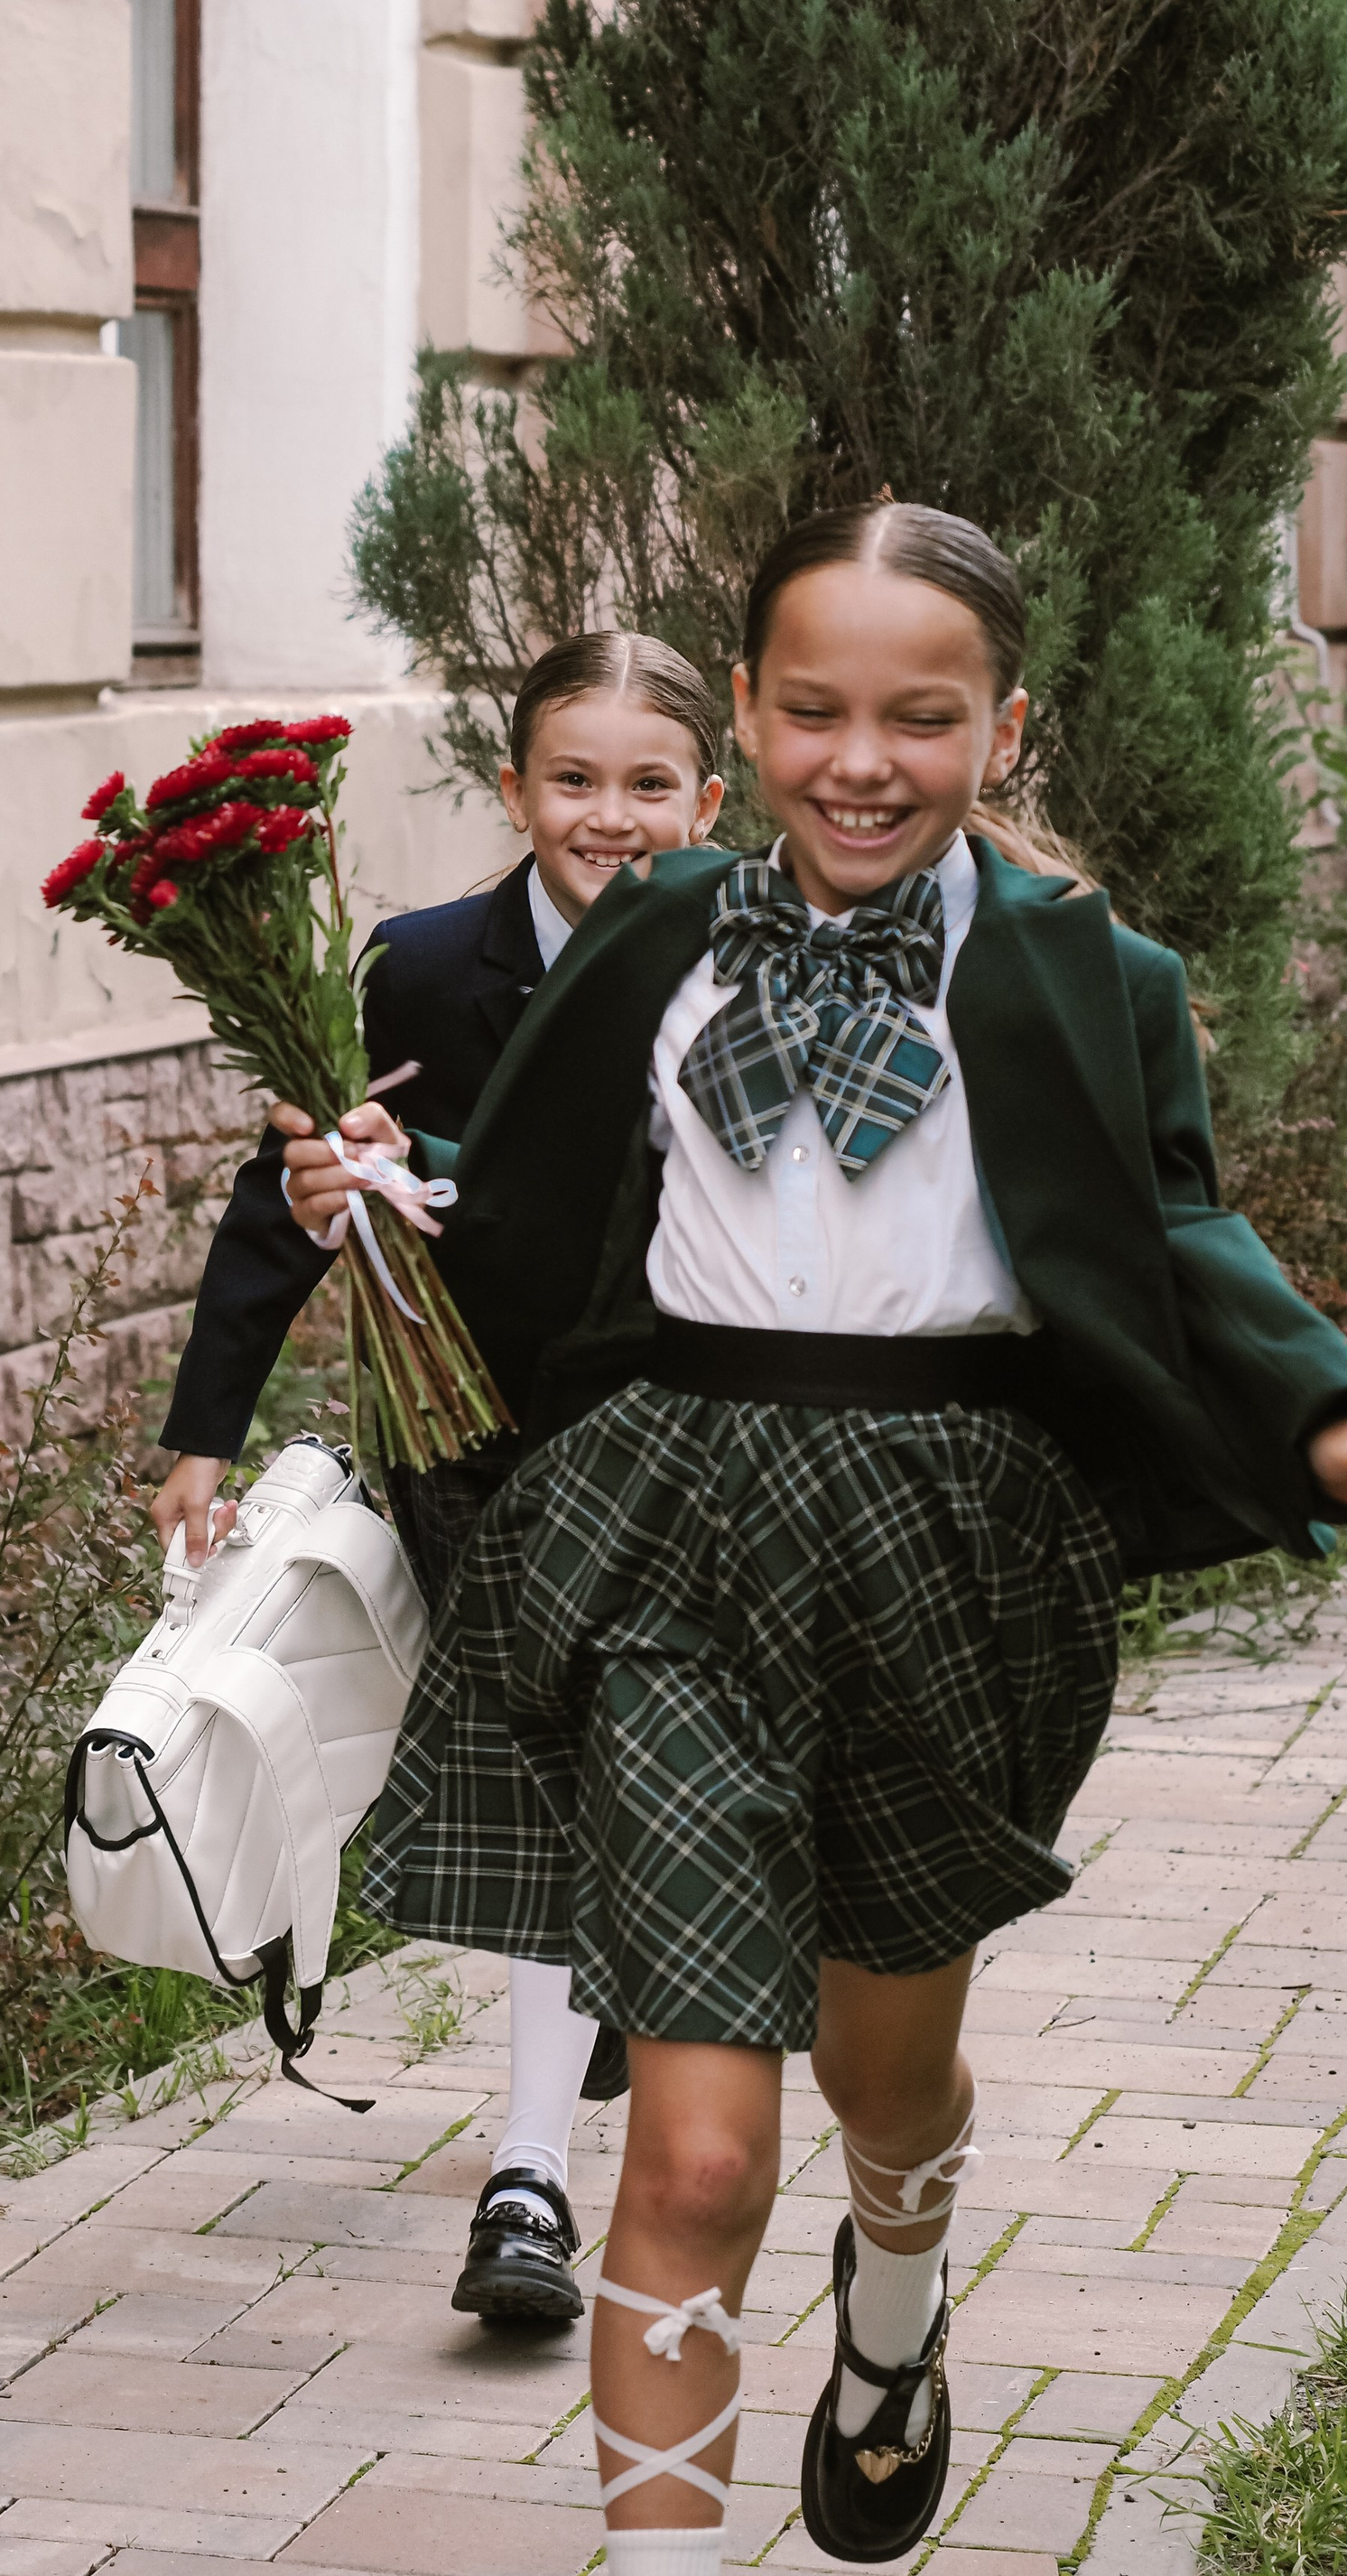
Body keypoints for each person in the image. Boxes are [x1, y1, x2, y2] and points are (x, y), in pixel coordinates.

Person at [285, 502, 1347, 2574]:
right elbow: (530, 1201)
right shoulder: (654, 935)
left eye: (918, 718)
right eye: (811, 711)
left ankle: (894, 2289)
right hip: (675, 1527)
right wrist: (371, 1207)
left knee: (883, 2074)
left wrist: (1315, 1411)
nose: (861, 761)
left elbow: (1171, 1231)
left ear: (999, 729)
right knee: (687, 2158)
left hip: (954, 1546)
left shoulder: (1078, 973)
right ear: (749, 715)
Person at [151, 634, 724, 2329]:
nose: (607, 817)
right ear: (512, 789)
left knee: (598, 1776)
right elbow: (289, 1205)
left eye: (647, 784)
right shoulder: (410, 972)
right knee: (565, 1785)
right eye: (572, 778)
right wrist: (206, 1430)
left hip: (674, 1433)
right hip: (470, 1446)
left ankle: (530, 2168)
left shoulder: (740, 961)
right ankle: (546, 2150)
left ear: (709, 795)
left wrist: (452, 1175)